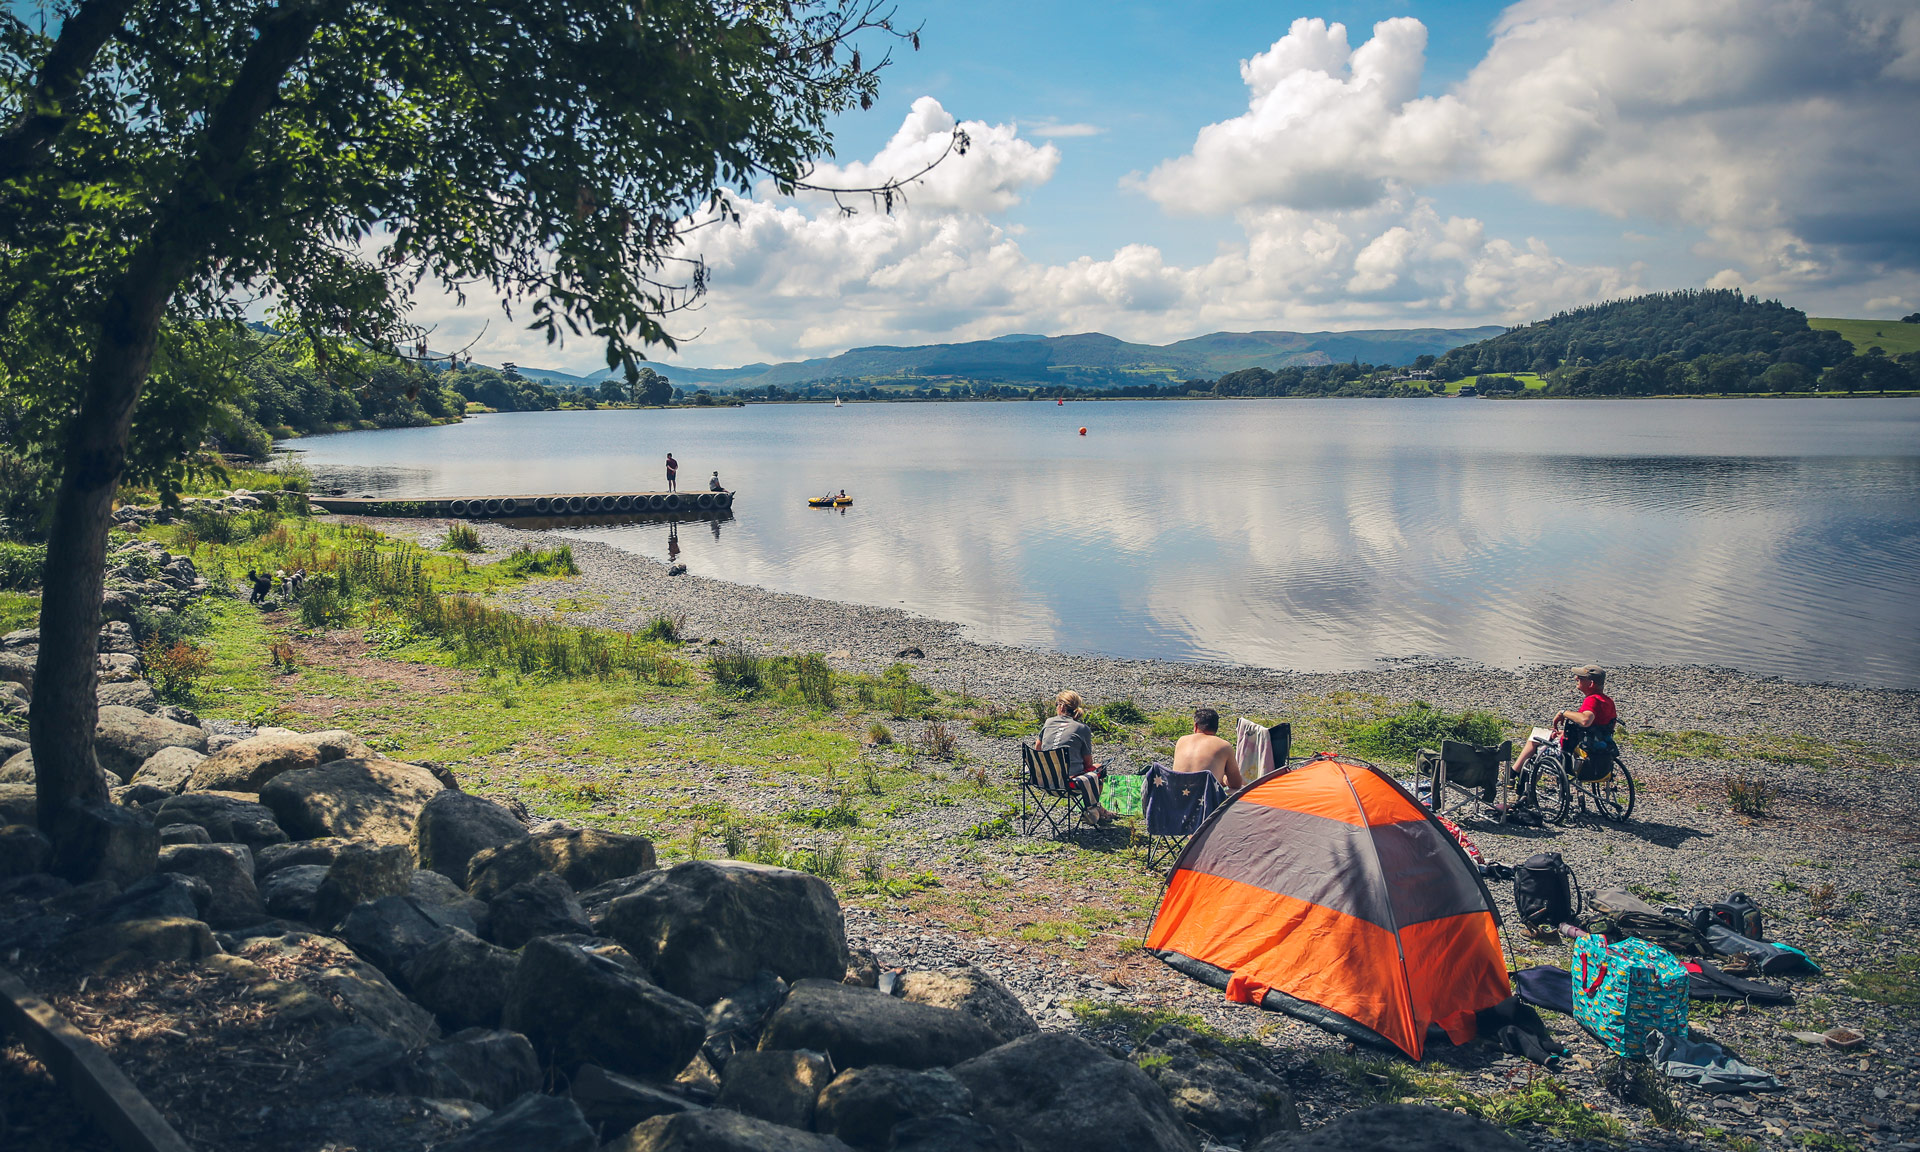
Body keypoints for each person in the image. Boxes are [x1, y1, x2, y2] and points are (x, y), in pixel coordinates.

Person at [1515, 665, 1618, 779]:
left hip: (1577, 754)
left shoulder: (1592, 700)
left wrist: (1563, 712)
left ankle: (1514, 774)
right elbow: (1599, 728)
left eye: (1581, 677)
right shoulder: (1609, 702)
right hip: (1601, 750)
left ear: (1591, 684)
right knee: (1548, 735)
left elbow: (1585, 721)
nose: (1576, 678)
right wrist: (1567, 733)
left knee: (1535, 739)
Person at [1037, 690, 1112, 824]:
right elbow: (1088, 763)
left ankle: (1097, 810)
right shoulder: (1082, 728)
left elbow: (1038, 750)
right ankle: (1093, 809)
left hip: (1044, 781)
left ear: (1061, 706)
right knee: (1100, 769)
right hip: (1068, 784)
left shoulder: (1048, 722)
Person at [1173, 708, 1244, 791]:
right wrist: (1223, 779)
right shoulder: (1224, 746)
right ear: (1216, 728)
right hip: (1205, 800)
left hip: (1176, 798)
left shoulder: (1182, 740)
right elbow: (1236, 784)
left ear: (1195, 726)